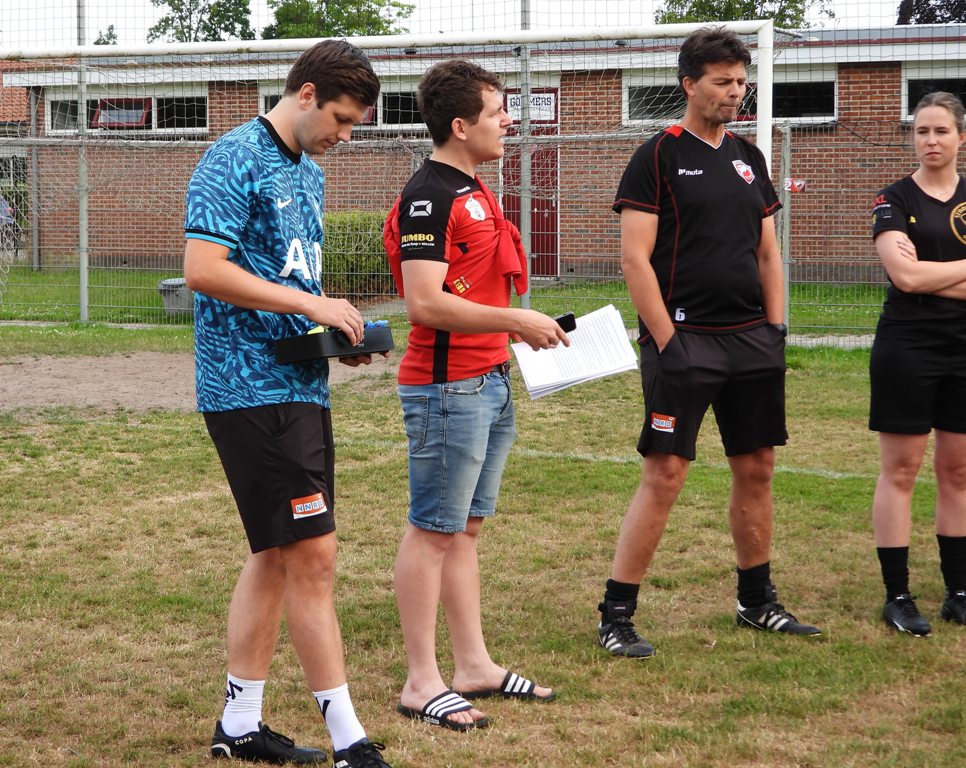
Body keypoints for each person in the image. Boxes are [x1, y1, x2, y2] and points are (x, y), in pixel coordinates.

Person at [183, 41, 391, 767]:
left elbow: (289, 280)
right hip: (247, 386)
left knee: (276, 551)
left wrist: (332, 335)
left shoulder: (310, 171)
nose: (346, 135)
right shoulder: (231, 158)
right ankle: (349, 740)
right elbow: (203, 269)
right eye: (341, 118)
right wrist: (310, 304)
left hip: (300, 382)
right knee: (313, 553)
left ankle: (239, 724)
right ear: (305, 95)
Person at [596, 26, 821, 659]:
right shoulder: (657, 156)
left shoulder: (750, 156)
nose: (735, 91)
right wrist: (669, 342)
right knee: (665, 473)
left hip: (751, 342)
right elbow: (635, 259)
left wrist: (775, 329)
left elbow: (768, 253)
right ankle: (616, 614)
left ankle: (757, 602)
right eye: (723, 81)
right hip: (685, 342)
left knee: (757, 466)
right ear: (689, 84)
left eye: (742, 81)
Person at [385, 59, 569, 731]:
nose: (509, 121)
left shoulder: (474, 186)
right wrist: (516, 319)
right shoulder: (428, 196)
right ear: (461, 126)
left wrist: (510, 332)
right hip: (447, 389)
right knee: (432, 530)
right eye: (497, 112)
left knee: (463, 529)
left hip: (488, 380)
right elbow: (425, 303)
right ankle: (421, 683)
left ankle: (474, 667)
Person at [869, 90, 966, 637]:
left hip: (963, 349)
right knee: (901, 470)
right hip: (907, 347)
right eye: (921, 131)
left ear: (960, 138)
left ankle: (959, 591)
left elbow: (919, 274)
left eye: (941, 131)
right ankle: (898, 596)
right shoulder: (893, 198)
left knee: (958, 471)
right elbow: (904, 278)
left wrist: (930, 274)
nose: (930, 140)